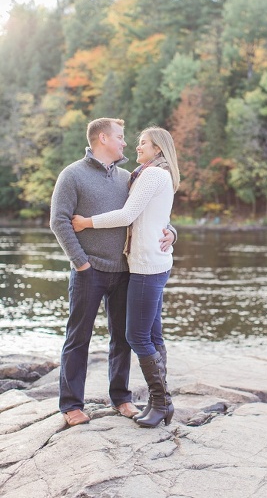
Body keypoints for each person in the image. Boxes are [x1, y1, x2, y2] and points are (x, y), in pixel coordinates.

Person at [50, 118, 175, 427]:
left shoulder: (127, 178)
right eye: (120, 137)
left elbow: (147, 214)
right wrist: (81, 262)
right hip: (89, 270)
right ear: (102, 138)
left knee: (122, 338)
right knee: (78, 337)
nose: (125, 143)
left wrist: (172, 231)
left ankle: (121, 398)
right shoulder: (72, 175)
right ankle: (71, 405)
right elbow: (59, 221)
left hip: (125, 271)